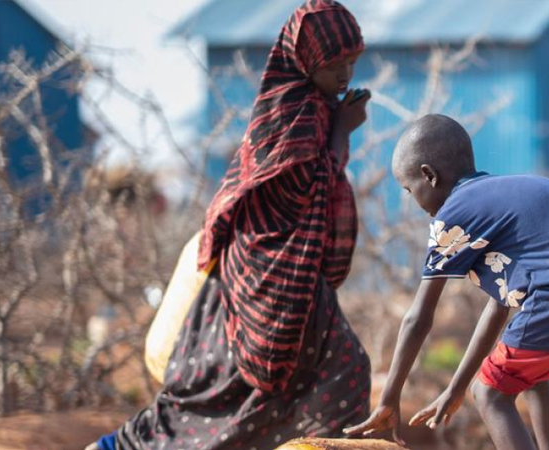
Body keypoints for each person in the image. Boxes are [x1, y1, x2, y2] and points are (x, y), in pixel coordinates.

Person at [88, 1, 372, 449]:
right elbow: (306, 192)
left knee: (229, 388)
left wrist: (338, 125)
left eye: (352, 63)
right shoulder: (294, 117)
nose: (345, 75)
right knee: (334, 378)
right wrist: (342, 132)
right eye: (335, 64)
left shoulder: (313, 106)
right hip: (270, 278)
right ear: (306, 60)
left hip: (274, 276)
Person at [345, 114, 549, 450]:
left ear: (429, 176)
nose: (412, 200)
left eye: (408, 188)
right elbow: (498, 308)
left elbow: (418, 318)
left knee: (489, 394)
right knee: (529, 377)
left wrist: (388, 399)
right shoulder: (498, 199)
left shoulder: (455, 213)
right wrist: (456, 387)